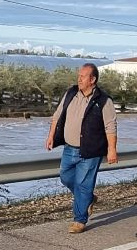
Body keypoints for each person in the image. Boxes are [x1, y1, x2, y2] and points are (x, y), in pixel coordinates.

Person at [45, 63, 118, 234]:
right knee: (65, 177)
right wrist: (50, 136)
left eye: (83, 76)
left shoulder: (103, 100)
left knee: (84, 184)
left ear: (93, 79)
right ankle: (89, 199)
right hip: (70, 148)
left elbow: (110, 126)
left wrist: (112, 149)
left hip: (91, 150)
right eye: (78, 76)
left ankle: (80, 220)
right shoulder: (71, 93)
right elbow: (57, 115)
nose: (79, 79)